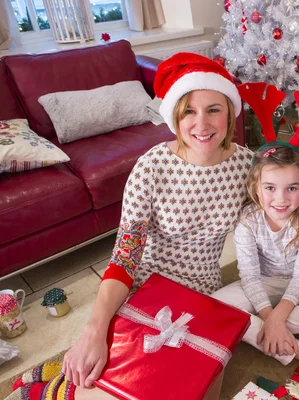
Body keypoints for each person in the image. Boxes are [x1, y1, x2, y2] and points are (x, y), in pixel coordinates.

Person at [8, 53, 253, 400]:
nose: (202, 123)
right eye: (189, 111)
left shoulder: (248, 165)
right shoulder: (150, 167)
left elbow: (276, 220)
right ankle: (55, 383)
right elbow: (124, 258)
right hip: (146, 288)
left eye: (214, 109)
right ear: (174, 116)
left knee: (190, 390)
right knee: (108, 382)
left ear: (230, 112)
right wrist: (94, 330)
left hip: (204, 292)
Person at [211, 145, 299, 387]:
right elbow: (249, 275)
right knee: (214, 308)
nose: (281, 199)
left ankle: (254, 323)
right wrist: (272, 318)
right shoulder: (248, 219)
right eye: (270, 188)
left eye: (292, 188)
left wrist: (275, 317)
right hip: (264, 281)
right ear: (256, 188)